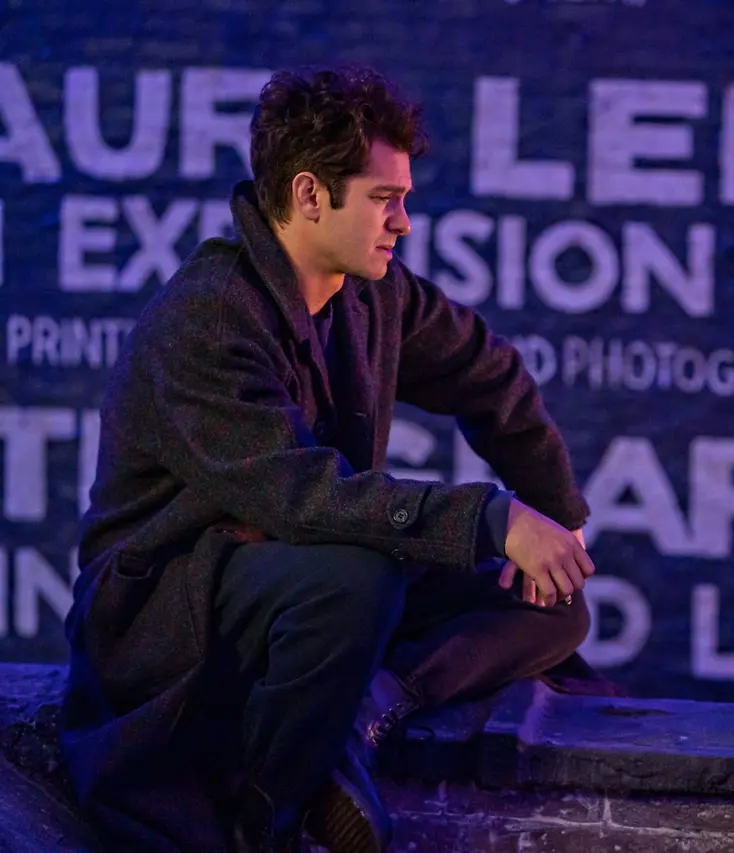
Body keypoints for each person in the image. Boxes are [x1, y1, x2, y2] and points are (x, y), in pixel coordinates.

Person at [61, 65, 605, 853]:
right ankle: (267, 819)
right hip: (173, 609)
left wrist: (554, 512)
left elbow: (488, 370)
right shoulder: (209, 317)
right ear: (311, 194)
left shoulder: (372, 294)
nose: (403, 222)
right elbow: (302, 497)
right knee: (356, 575)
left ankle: (364, 707)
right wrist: (491, 516)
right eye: (384, 199)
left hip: (306, 576)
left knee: (553, 598)